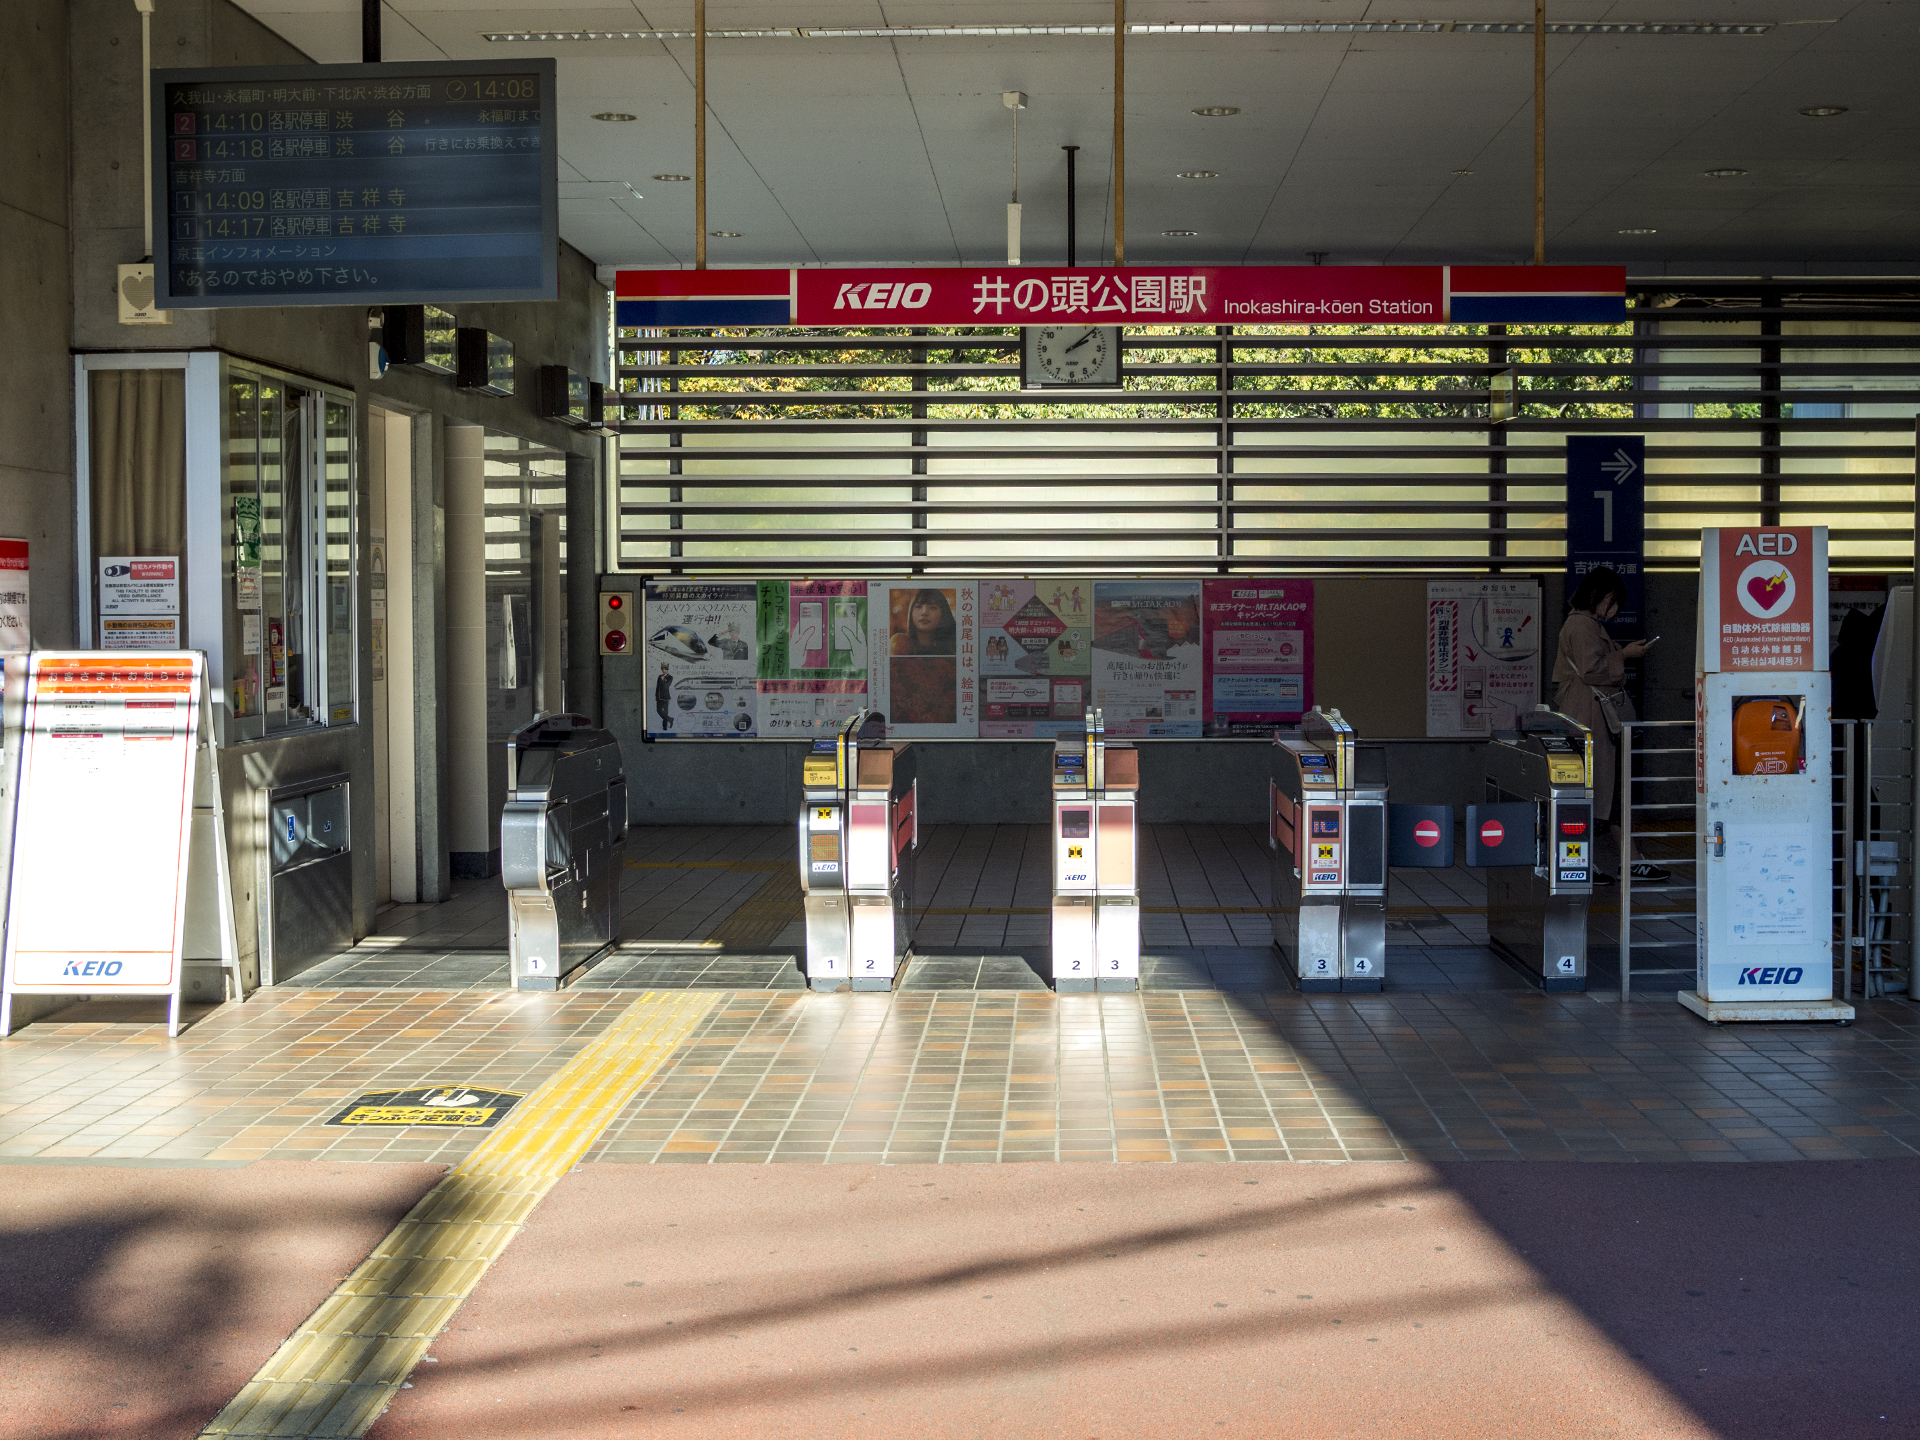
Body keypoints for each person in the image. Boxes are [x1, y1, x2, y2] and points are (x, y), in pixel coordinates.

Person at [1552, 567, 1665, 884]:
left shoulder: (1585, 624)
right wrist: (1625, 654)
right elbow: (1593, 670)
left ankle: (1627, 860)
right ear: (1594, 595)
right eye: (1611, 601)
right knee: (1595, 791)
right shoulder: (1582, 625)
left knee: (1606, 793)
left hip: (1591, 715)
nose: (1614, 609)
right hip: (1590, 717)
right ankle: (1594, 862)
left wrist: (1622, 654)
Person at [890, 588, 956, 655]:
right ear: (911, 613)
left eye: (932, 607)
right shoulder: (901, 643)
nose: (924, 612)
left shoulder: (952, 647)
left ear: (943, 615)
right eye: (918, 607)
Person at [655, 662, 674, 732]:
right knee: (659, 711)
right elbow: (657, 687)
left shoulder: (670, 677)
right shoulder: (659, 676)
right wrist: (656, 696)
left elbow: (667, 686)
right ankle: (670, 719)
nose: (663, 670)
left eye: (665, 669)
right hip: (659, 697)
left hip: (666, 698)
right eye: (662, 669)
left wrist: (663, 680)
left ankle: (664, 726)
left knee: (665, 712)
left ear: (667, 669)